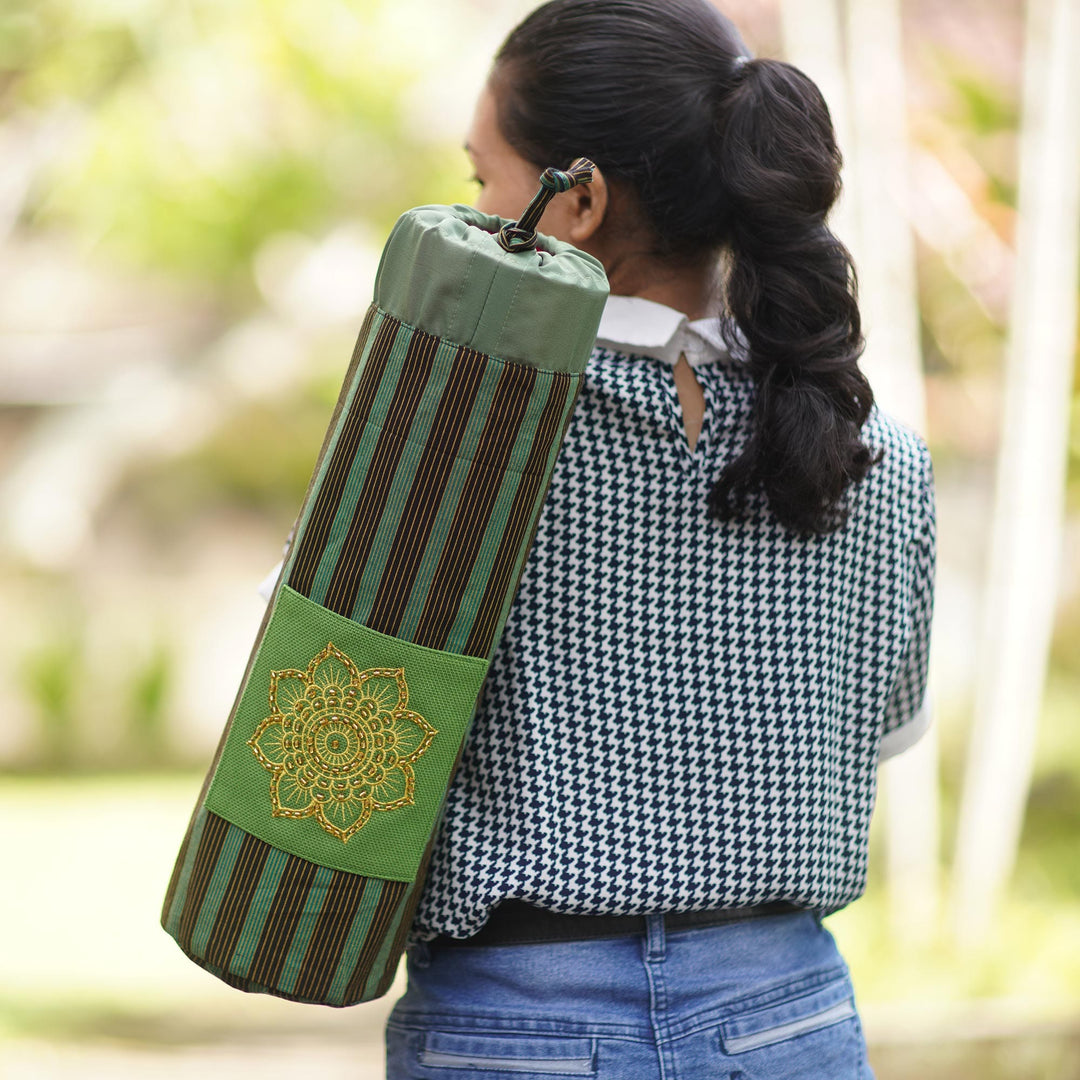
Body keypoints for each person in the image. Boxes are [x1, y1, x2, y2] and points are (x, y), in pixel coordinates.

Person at [382, 1, 935, 1077]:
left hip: (519, 1023)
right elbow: (882, 733)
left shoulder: (458, 433)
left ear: (580, 201)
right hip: (786, 1020)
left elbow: (319, 688)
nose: (476, 213)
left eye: (482, 181)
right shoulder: (875, 457)